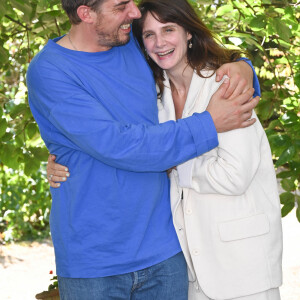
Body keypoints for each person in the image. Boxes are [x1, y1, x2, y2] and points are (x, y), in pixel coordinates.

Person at [28, 0, 260, 299]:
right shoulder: (49, 71)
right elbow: (119, 144)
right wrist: (209, 124)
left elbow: (192, 53)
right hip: (95, 259)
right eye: (122, 6)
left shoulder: (131, 42)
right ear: (86, 14)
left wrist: (243, 68)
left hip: (165, 250)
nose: (135, 14)